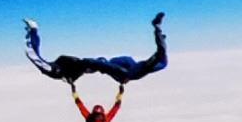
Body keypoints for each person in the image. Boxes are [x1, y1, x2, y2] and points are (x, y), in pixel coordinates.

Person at [24, 13, 167, 85]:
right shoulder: (136, 68)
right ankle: (157, 28)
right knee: (161, 58)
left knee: (105, 65)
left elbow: (104, 66)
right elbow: (103, 65)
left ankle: (33, 30)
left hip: (122, 69)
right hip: (125, 68)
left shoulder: (124, 72)